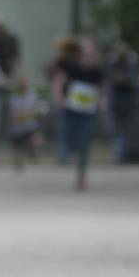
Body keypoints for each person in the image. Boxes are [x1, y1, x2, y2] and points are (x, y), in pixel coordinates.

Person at [51, 36, 106, 190]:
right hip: (71, 111)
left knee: (85, 143)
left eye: (91, 51)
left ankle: (81, 177)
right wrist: (60, 99)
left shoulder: (97, 71)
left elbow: (101, 89)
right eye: (85, 51)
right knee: (71, 140)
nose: (88, 54)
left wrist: (102, 101)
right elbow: (58, 83)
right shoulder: (71, 67)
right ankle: (67, 153)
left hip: (87, 112)